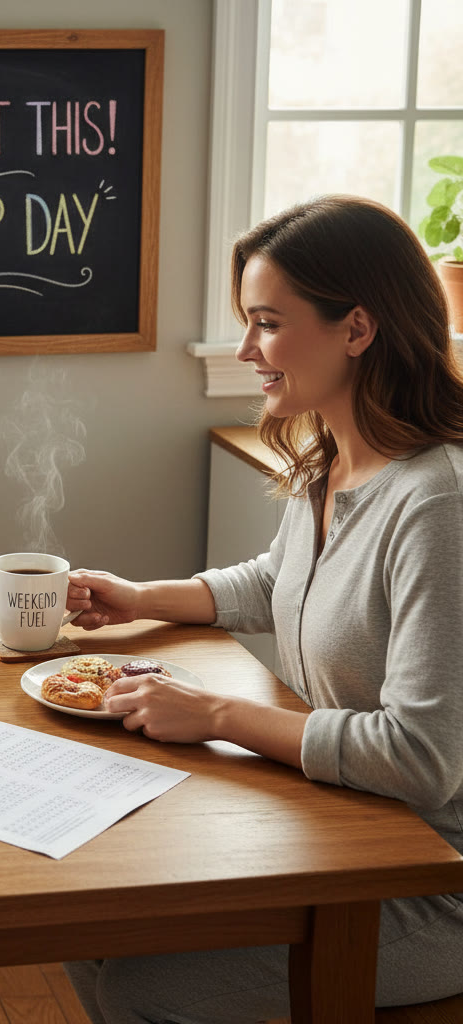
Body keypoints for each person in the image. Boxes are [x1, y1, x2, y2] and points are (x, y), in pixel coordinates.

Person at [63, 195, 463, 1023]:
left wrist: (215, 713)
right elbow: (276, 580)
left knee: (139, 987)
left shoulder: (438, 504)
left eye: (267, 323)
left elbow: (421, 759)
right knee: (88, 916)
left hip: (431, 878)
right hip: (345, 825)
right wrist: (140, 599)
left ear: (357, 328)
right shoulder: (333, 461)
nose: (246, 350)